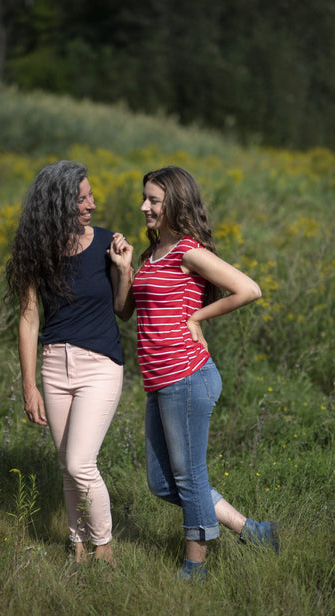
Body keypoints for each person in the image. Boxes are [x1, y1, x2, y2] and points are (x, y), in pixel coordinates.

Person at [120, 165, 279, 581]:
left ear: (174, 202)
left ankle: (195, 568)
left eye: (154, 200)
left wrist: (197, 319)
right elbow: (125, 311)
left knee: (189, 478)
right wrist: (123, 271)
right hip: (159, 382)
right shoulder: (151, 255)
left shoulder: (187, 251)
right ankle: (253, 531)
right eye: (145, 199)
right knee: (160, 482)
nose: (144, 207)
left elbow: (249, 289)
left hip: (187, 377)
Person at [5, 160, 133, 567]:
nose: (92, 204)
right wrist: (29, 386)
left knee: (80, 462)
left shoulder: (107, 242)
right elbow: (28, 318)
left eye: (91, 195)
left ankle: (105, 548)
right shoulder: (34, 250)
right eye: (82, 198)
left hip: (100, 364)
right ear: (57, 203)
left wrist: (125, 269)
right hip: (53, 367)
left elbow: (123, 310)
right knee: (66, 465)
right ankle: (77, 546)